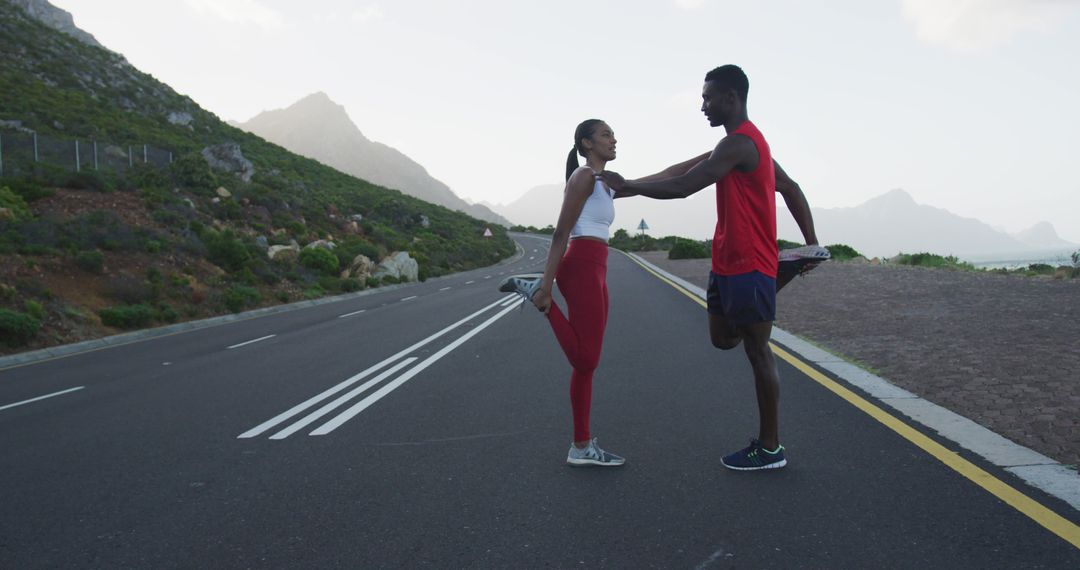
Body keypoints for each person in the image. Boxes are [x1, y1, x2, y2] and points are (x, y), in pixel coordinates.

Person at [601, 65, 827, 471]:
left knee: (758, 350)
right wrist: (628, 185)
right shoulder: (729, 147)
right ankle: (780, 277)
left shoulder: (744, 145)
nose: (702, 106)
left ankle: (771, 448)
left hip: (751, 263)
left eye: (708, 98)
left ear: (731, 98)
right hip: (726, 263)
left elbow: (686, 187)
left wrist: (812, 241)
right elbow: (676, 172)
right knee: (723, 339)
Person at [499, 119, 631, 467]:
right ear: (587, 144)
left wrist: (706, 160)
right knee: (586, 359)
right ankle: (542, 300)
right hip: (581, 267)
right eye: (606, 134)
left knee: (588, 365)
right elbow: (561, 233)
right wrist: (548, 283)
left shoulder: (605, 182)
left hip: (598, 268)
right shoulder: (583, 177)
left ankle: (581, 446)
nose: (614, 139)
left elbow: (661, 180)